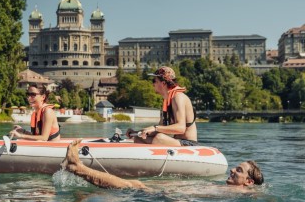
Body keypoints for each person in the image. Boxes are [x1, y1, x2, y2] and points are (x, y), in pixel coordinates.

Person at [63, 139, 264, 190]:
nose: (232, 170)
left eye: (239, 170)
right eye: (235, 167)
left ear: (248, 182)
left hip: (171, 197)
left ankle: (78, 168)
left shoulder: (243, 194)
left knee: (134, 185)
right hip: (175, 194)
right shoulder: (235, 191)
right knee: (133, 185)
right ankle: (78, 169)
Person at [128, 66, 197, 146]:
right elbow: (160, 128)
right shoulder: (167, 100)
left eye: (154, 81)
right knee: (138, 138)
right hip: (176, 141)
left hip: (189, 143)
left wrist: (155, 127)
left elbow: (181, 128)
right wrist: (137, 133)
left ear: (163, 83)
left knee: (159, 137)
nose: (153, 84)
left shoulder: (178, 97)